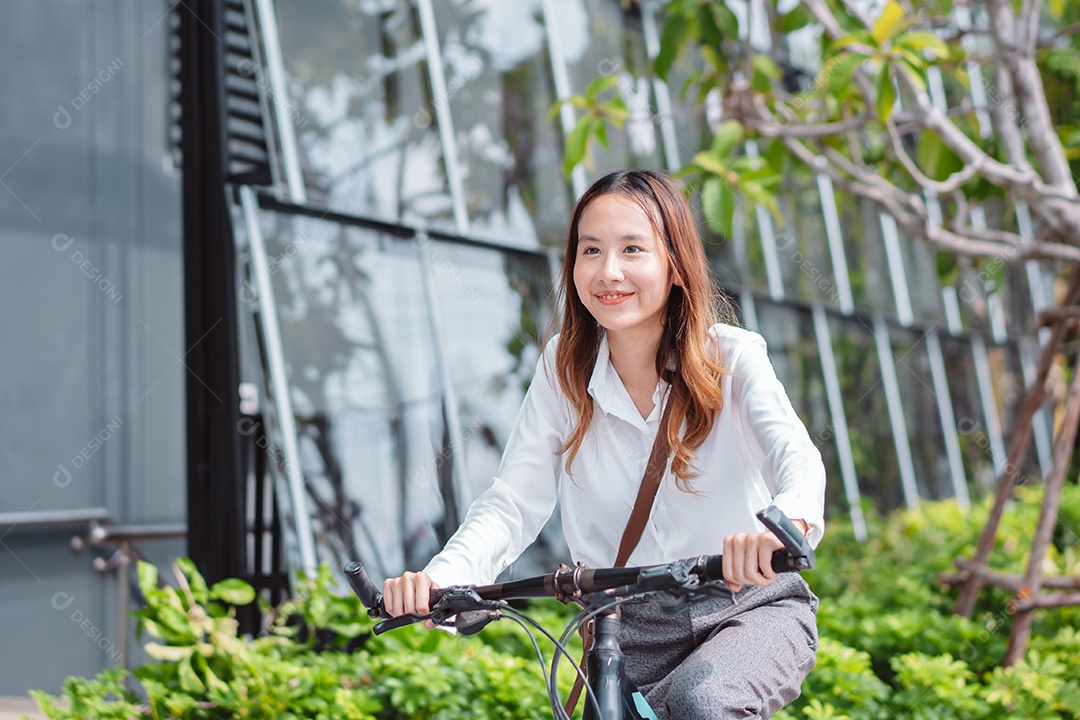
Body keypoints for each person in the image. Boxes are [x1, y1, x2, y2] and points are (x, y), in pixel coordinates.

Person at [383, 169, 826, 719]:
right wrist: (441, 578)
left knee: (704, 702)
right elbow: (513, 503)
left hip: (747, 605)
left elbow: (794, 454)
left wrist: (782, 526)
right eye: (590, 250)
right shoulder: (561, 373)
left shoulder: (731, 358)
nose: (608, 271)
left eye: (633, 249)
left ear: (676, 266)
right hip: (624, 627)